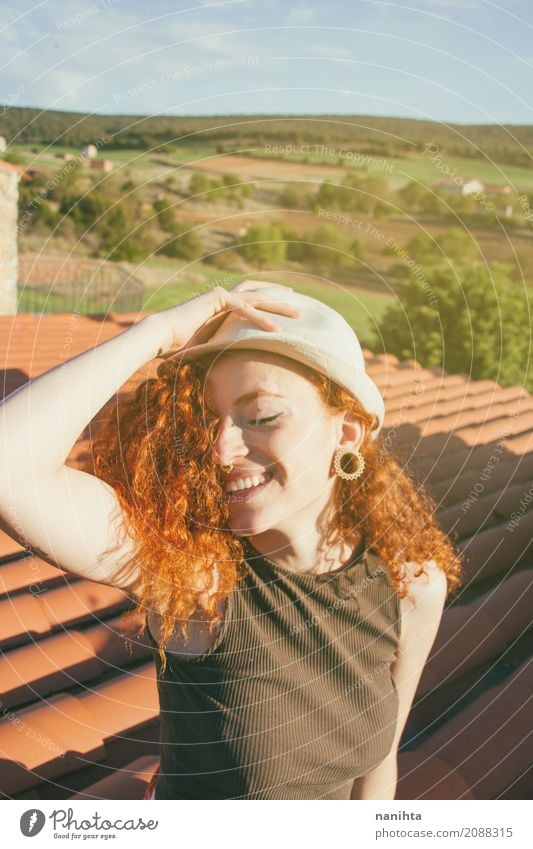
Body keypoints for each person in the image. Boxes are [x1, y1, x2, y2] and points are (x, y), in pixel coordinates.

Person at [0, 279, 463, 800]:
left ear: (347, 434)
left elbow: (377, 770)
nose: (221, 450)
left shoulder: (412, 585)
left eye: (261, 416)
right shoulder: (195, 574)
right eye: (207, 420)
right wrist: (158, 332)